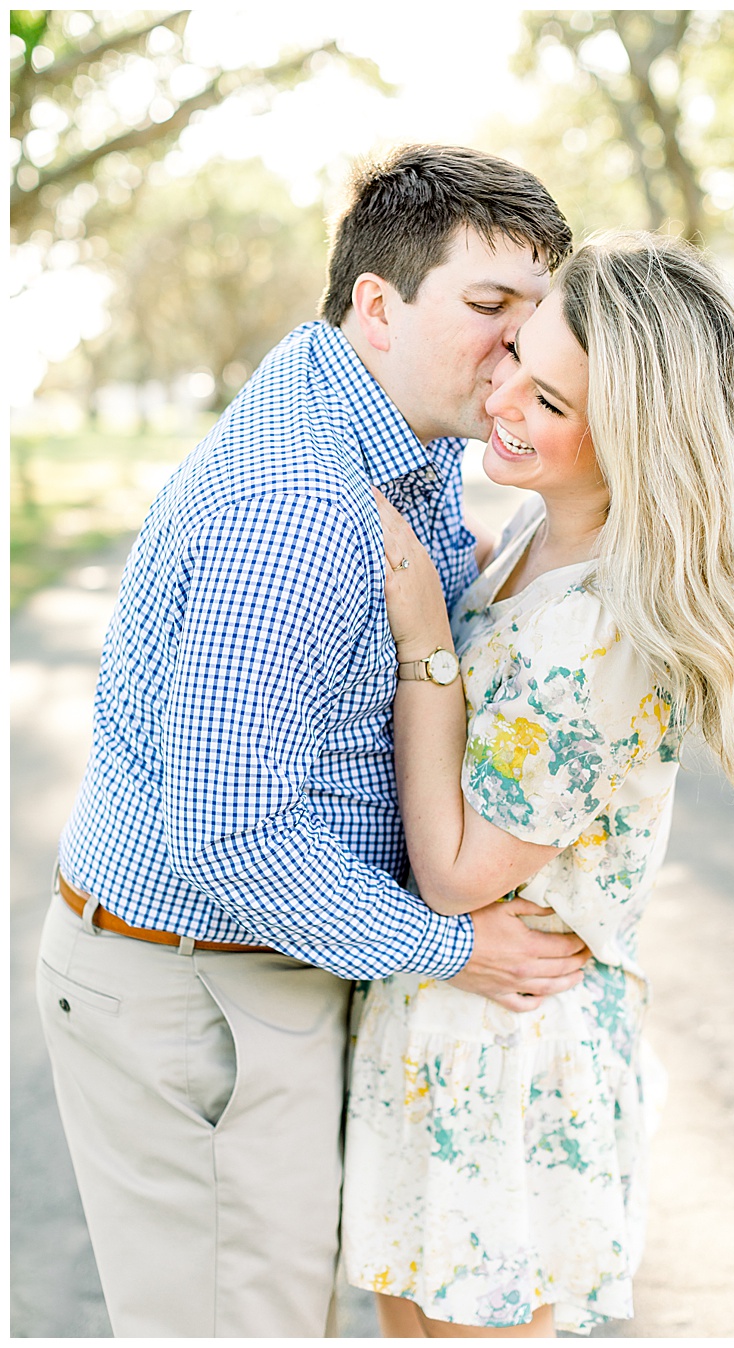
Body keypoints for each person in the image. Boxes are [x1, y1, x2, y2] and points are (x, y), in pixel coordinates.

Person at [38, 145, 578, 1337]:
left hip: (258, 968)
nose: (515, 350)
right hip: (199, 983)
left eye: (533, 320)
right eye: (488, 308)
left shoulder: (392, 424)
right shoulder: (298, 508)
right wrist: (450, 943)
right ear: (377, 306)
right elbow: (232, 835)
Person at [342, 232, 734, 1335]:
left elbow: (463, 871)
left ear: (637, 444)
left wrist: (427, 639)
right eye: (514, 351)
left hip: (510, 1047)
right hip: (442, 1016)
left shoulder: (603, 626)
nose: (504, 395)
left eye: (550, 401)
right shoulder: (535, 533)